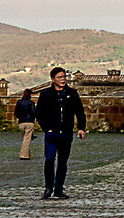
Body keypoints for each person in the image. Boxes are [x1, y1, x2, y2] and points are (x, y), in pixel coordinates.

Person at [33, 66, 86, 199]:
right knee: (49, 159)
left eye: (64, 77)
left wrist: (81, 128)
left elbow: (79, 111)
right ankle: (48, 187)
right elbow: (39, 113)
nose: (63, 80)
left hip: (66, 133)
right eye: (60, 77)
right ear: (53, 79)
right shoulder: (46, 94)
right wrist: (46, 128)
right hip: (51, 133)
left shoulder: (72, 93)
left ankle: (58, 189)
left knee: (63, 162)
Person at [14, 87, 39, 161]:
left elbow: (16, 113)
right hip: (29, 122)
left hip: (21, 122)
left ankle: (27, 154)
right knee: (27, 139)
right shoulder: (31, 103)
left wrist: (20, 118)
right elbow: (33, 112)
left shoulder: (19, 102)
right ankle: (24, 155)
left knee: (25, 138)